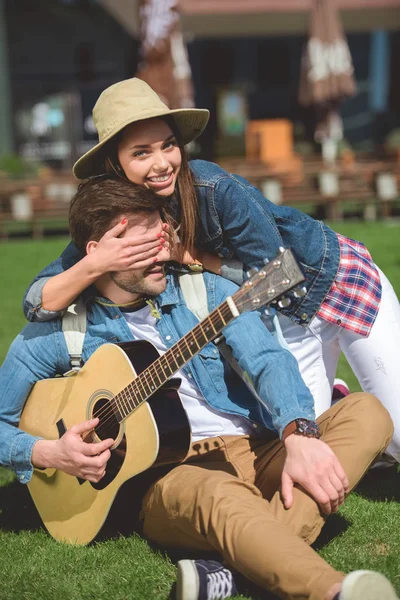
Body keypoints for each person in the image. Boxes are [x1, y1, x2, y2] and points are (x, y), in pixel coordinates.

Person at [2, 176, 397, 600]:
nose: (160, 254)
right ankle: (333, 591)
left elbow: (268, 361)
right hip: (167, 477)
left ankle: (231, 571)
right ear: (98, 254)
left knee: (367, 412)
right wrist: (48, 453)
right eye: (141, 248)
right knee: (218, 494)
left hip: (253, 449)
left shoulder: (205, 290)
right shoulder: (59, 332)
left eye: (161, 238)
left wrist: (298, 432)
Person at [23, 78, 400, 466]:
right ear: (114, 164)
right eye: (141, 152)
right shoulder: (114, 215)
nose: (161, 163)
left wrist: (192, 255)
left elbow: (281, 276)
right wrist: (96, 262)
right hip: (285, 323)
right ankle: (337, 402)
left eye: (168, 145)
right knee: (299, 444)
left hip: (334, 284)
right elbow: (37, 302)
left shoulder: (213, 188)